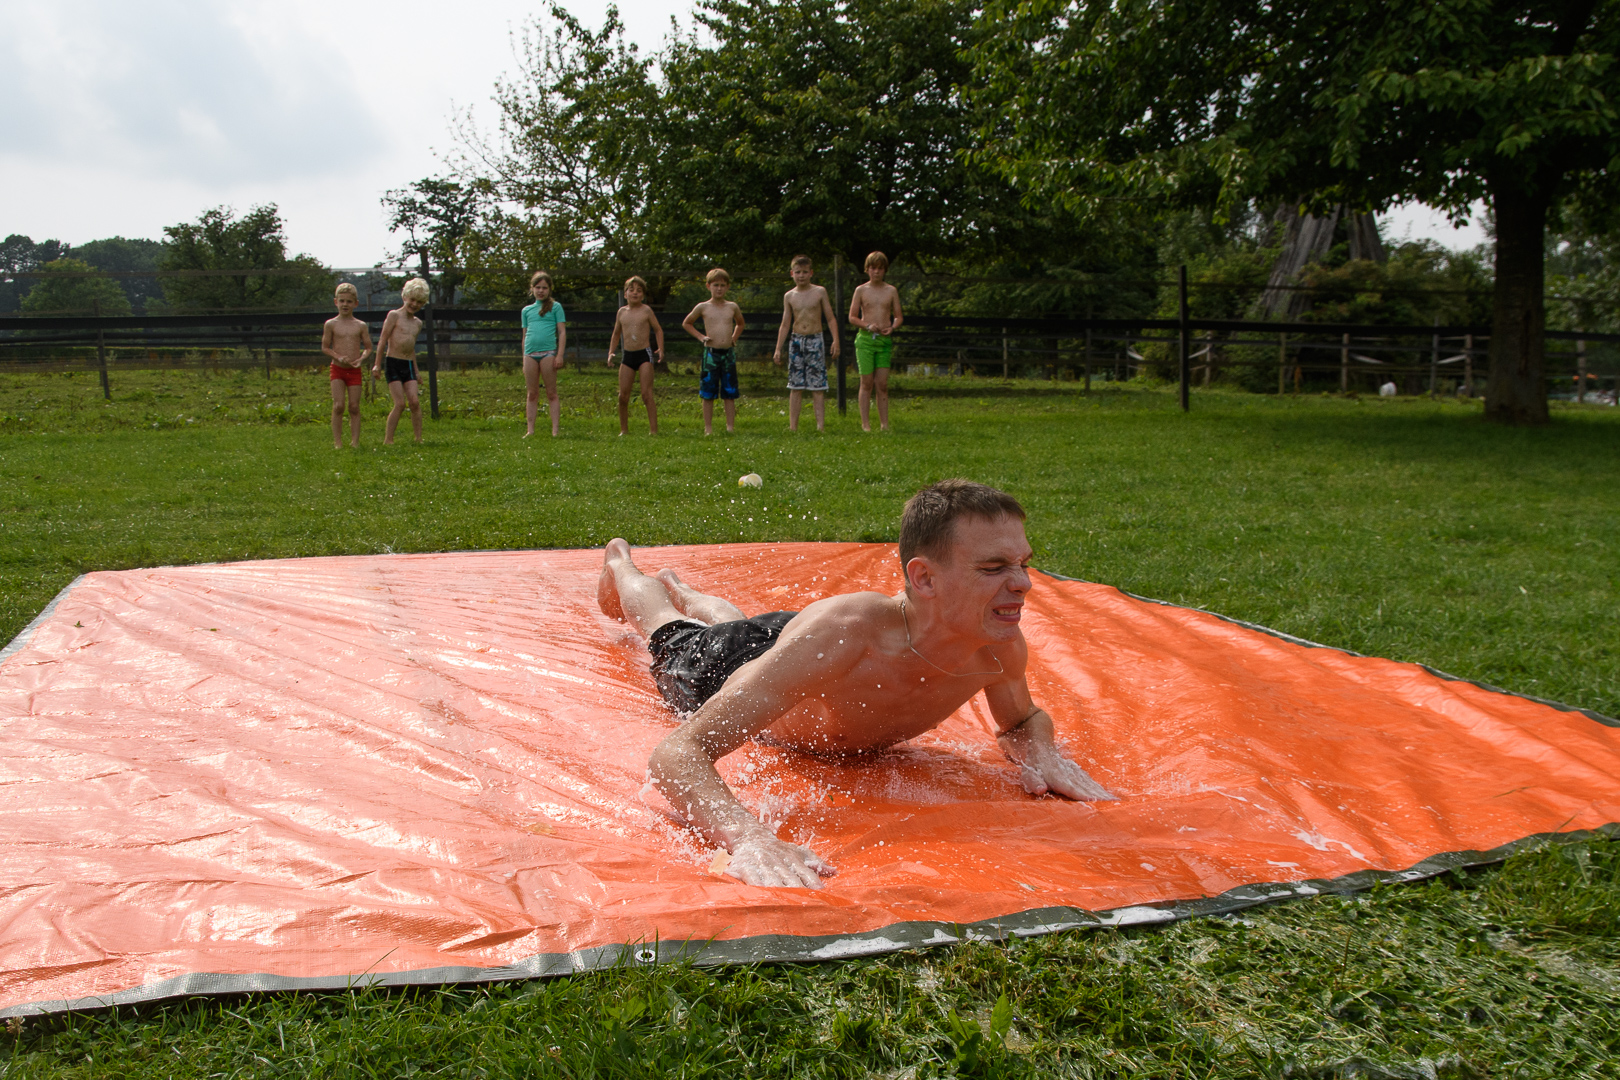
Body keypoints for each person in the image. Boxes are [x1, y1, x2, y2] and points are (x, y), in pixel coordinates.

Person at [596, 479, 1116, 889]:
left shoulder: (996, 643)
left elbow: (1023, 719)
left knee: (744, 627)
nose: (1023, 584)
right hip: (737, 663)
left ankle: (689, 591)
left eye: (1023, 563)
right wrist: (750, 837)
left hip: (803, 653)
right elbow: (676, 755)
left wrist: (1040, 751)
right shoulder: (847, 634)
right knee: (670, 630)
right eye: (994, 567)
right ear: (925, 578)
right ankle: (623, 566)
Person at [772, 255, 840, 433]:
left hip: (815, 340)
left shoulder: (819, 292)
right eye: (797, 272)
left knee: (818, 386)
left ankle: (820, 427)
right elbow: (785, 323)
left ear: (811, 273)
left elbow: (830, 318)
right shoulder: (789, 296)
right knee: (795, 386)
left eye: (804, 272)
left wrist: (836, 340)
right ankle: (793, 427)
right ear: (792, 274)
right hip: (796, 341)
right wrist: (778, 348)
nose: (801, 275)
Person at [682, 268, 746, 435]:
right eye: (716, 285)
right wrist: (701, 337)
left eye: (722, 285)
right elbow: (687, 323)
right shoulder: (703, 307)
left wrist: (734, 338)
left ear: (727, 287)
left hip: (728, 354)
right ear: (708, 286)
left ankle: (730, 427)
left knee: (729, 391)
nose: (719, 289)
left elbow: (740, 323)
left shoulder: (732, 307)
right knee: (708, 391)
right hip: (711, 354)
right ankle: (708, 428)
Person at [848, 251, 903, 433]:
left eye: (880, 268)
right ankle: (865, 424)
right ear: (867, 270)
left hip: (884, 341)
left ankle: (884, 424)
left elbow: (898, 316)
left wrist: (892, 327)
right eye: (873, 268)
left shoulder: (891, 291)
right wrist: (867, 325)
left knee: (882, 384)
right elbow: (852, 317)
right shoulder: (861, 290)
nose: (876, 272)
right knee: (866, 383)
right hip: (865, 340)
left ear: (885, 270)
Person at [372, 277, 429, 445]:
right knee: (400, 403)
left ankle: (418, 438)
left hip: (408, 364)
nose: (414, 304)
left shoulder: (418, 323)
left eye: (419, 302)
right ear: (405, 297)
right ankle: (388, 439)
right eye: (412, 299)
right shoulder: (394, 315)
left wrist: (416, 372)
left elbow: (411, 348)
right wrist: (377, 364)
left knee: (415, 402)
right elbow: (383, 340)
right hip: (393, 363)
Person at [607, 275, 664, 436]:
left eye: (639, 290)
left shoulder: (646, 311)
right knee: (623, 396)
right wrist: (611, 352)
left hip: (644, 355)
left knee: (646, 394)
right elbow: (616, 333)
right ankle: (624, 430)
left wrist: (661, 348)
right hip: (628, 356)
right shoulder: (621, 312)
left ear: (643, 295)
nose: (635, 293)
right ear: (625, 294)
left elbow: (658, 329)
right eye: (631, 290)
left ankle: (653, 431)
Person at [321, 282, 372, 449]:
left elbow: (368, 347)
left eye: (349, 301)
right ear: (336, 302)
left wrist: (361, 359)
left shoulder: (360, 325)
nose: (345, 305)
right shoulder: (331, 324)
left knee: (354, 406)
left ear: (355, 303)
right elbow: (325, 347)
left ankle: (355, 442)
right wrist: (338, 357)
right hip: (337, 369)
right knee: (338, 405)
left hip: (354, 370)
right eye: (342, 301)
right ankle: (337, 442)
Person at [521, 271, 569, 438]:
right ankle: (530, 430)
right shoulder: (526, 311)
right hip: (530, 354)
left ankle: (555, 430)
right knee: (532, 393)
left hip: (548, 353)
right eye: (538, 287)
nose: (541, 291)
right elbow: (524, 335)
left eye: (544, 288)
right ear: (532, 289)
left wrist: (559, 355)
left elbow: (562, 332)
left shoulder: (556, 307)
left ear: (549, 289)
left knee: (551, 392)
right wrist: (523, 358)